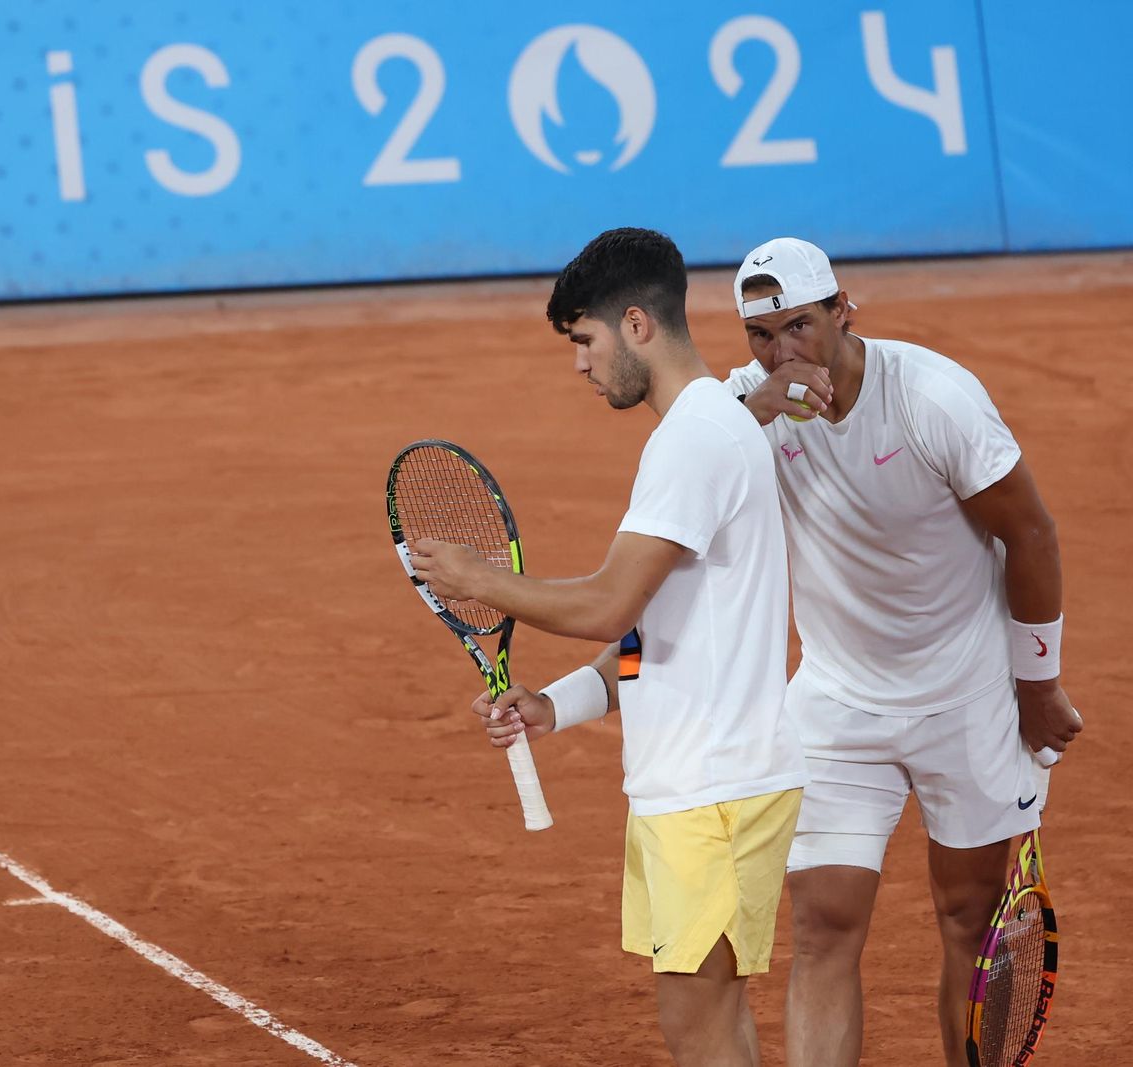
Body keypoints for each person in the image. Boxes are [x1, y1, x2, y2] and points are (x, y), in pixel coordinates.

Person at [410, 227, 807, 1067]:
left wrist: (481, 580)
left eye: (584, 340)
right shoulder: (703, 429)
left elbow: (606, 603)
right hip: (704, 783)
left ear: (636, 325)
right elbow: (648, 632)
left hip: (714, 790)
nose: (580, 365)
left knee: (699, 1030)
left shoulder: (693, 440)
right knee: (714, 1019)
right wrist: (561, 702)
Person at [723, 236, 1082, 1066]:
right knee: (822, 926)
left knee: (969, 918)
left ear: (845, 311)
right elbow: (688, 478)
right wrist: (756, 412)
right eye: (762, 335)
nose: (784, 352)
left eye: (802, 326)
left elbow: (1030, 532)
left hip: (970, 695)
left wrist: (1037, 684)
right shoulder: (746, 408)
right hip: (839, 704)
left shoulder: (932, 397)